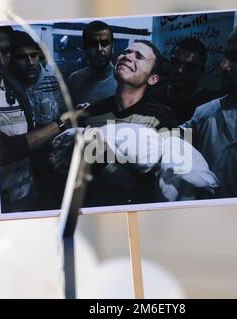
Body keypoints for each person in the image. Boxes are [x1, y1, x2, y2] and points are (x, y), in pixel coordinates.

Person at [74, 40, 177, 206]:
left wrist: (106, 159)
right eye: (126, 52)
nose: (127, 56)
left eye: (139, 56)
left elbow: (168, 178)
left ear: (152, 78)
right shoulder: (91, 112)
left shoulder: (163, 117)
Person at [181, 21, 237, 198]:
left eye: (236, 57)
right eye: (225, 57)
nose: (223, 66)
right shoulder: (205, 114)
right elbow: (171, 143)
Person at [0, 27, 71, 213]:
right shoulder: (10, 89)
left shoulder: (54, 83)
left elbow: (68, 126)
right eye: (22, 57)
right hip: (10, 188)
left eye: (34, 56)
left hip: (42, 179)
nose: (30, 62)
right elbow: (7, 148)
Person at [151, 37, 221, 124]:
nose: (180, 70)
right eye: (175, 62)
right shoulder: (153, 97)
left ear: (201, 72)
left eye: (190, 67)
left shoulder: (211, 105)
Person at [67, 20, 118, 105]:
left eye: (104, 43)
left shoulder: (124, 82)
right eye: (93, 44)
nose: (99, 49)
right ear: (85, 48)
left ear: (113, 47)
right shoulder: (74, 80)